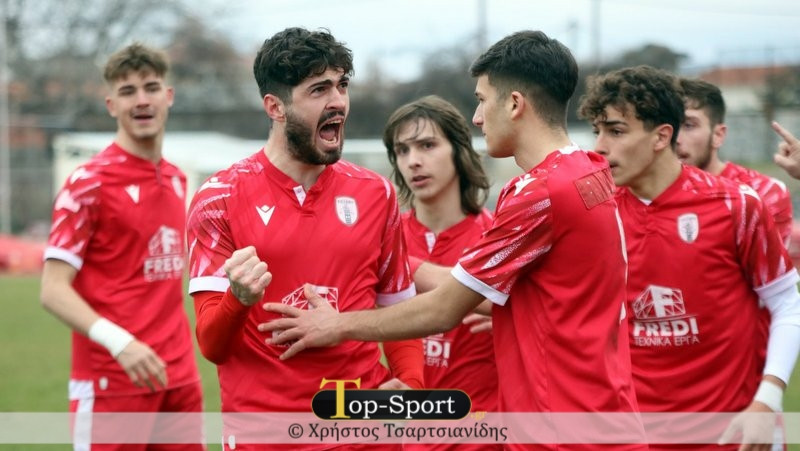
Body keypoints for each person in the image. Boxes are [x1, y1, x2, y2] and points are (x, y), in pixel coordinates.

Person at [264, 30, 646, 451]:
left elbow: (446, 309)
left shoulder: (540, 192)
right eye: (403, 150)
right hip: (603, 418)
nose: (478, 118)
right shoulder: (589, 170)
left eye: (482, 100)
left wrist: (337, 324)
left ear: (515, 104)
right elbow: (544, 293)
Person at [185, 27, 421, 450]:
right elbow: (212, 345)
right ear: (275, 107)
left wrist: (409, 385)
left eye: (342, 85)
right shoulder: (219, 198)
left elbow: (400, 313)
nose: (337, 101)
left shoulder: (376, 194)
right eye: (318, 89)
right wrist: (238, 297)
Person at [578, 65, 800, 450]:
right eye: (598, 130)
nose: (599, 145)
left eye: (615, 131)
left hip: (732, 434)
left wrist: (768, 400)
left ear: (662, 136)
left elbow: (786, 303)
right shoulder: (592, 211)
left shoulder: (737, 204)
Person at [39, 43, 204, 450]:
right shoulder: (88, 183)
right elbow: (53, 290)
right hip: (112, 378)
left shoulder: (178, 179)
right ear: (111, 104)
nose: (142, 100)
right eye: (128, 91)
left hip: (179, 376)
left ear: (169, 96)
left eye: (151, 87)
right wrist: (122, 344)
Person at [383, 95, 499, 450]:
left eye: (427, 145)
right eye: (402, 150)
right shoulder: (383, 239)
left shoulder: (497, 238)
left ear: (459, 150)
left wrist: (512, 320)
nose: (413, 161)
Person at [677, 77, 792, 245]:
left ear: (718, 135)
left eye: (688, 125)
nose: (675, 138)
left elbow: (765, 268)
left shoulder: (763, 192)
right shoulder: (644, 192)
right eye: (669, 125)